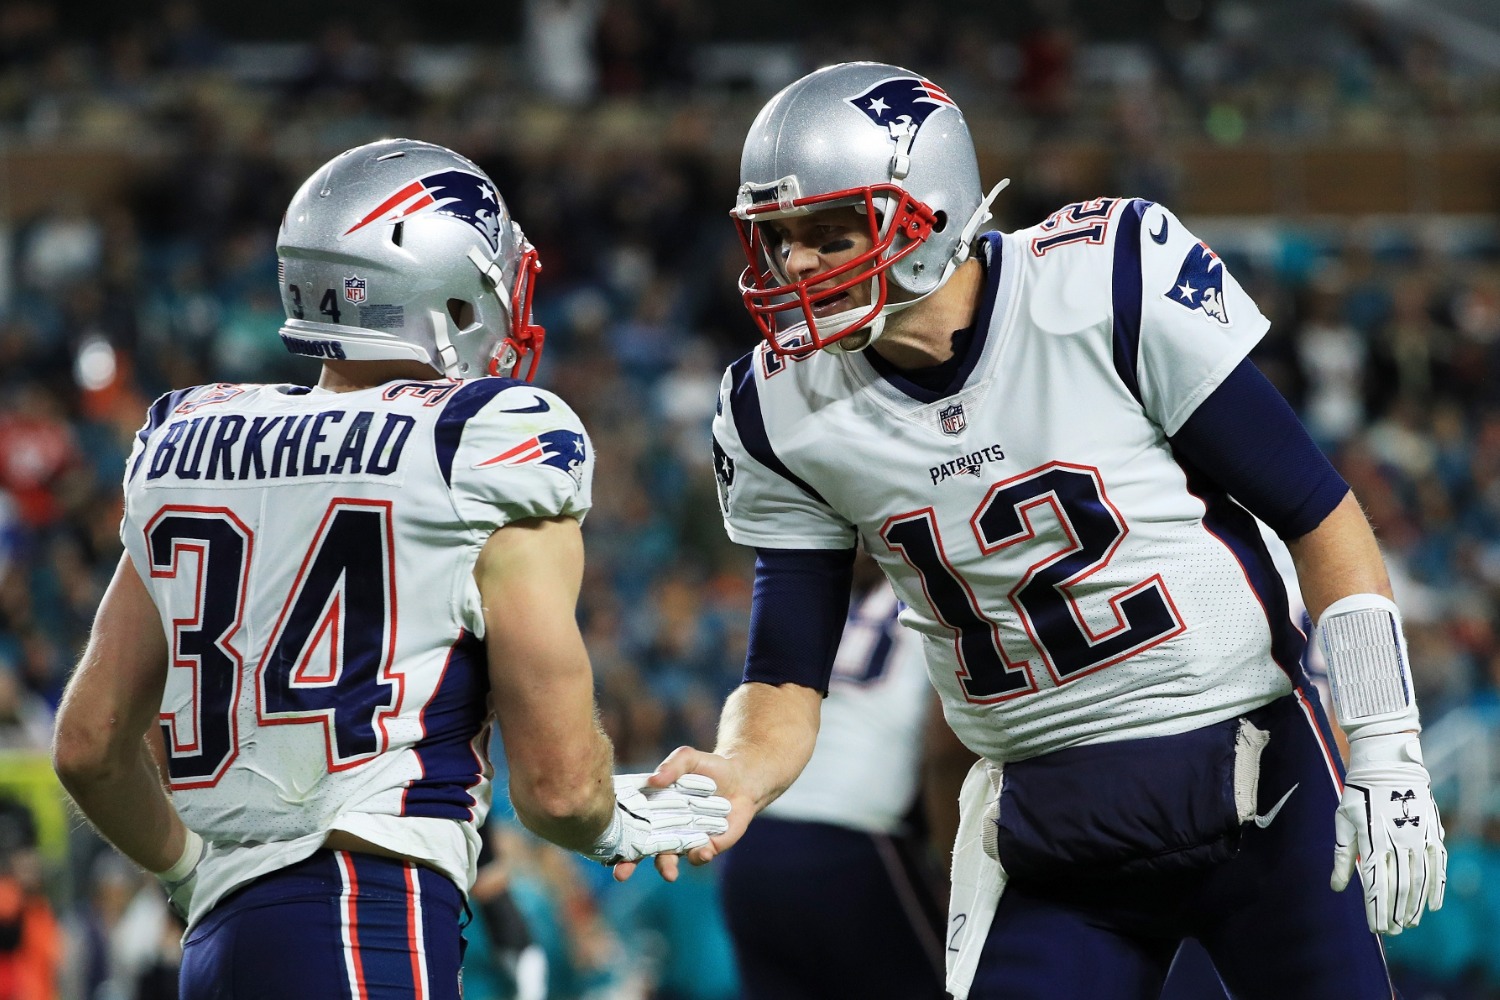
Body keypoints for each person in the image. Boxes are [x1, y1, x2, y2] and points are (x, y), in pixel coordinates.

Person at [631, 62, 1449, 1000]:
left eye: (830, 232)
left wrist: (1384, 742)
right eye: (778, 239)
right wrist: (740, 769)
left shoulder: (1101, 280)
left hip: (1256, 780)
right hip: (1053, 829)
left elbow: (1319, 515)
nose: (797, 265)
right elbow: (784, 670)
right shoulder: (779, 407)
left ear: (928, 212)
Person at [50, 138, 728, 1000]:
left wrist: (189, 873)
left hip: (216, 944)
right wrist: (609, 821)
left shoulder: (189, 441)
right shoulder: (481, 442)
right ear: (443, 288)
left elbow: (89, 745)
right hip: (364, 915)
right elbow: (559, 788)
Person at [716, 551, 957, 1000]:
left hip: (752, 844)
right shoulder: (943, 591)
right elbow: (944, 750)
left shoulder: (818, 598)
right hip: (851, 844)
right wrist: (954, 873)